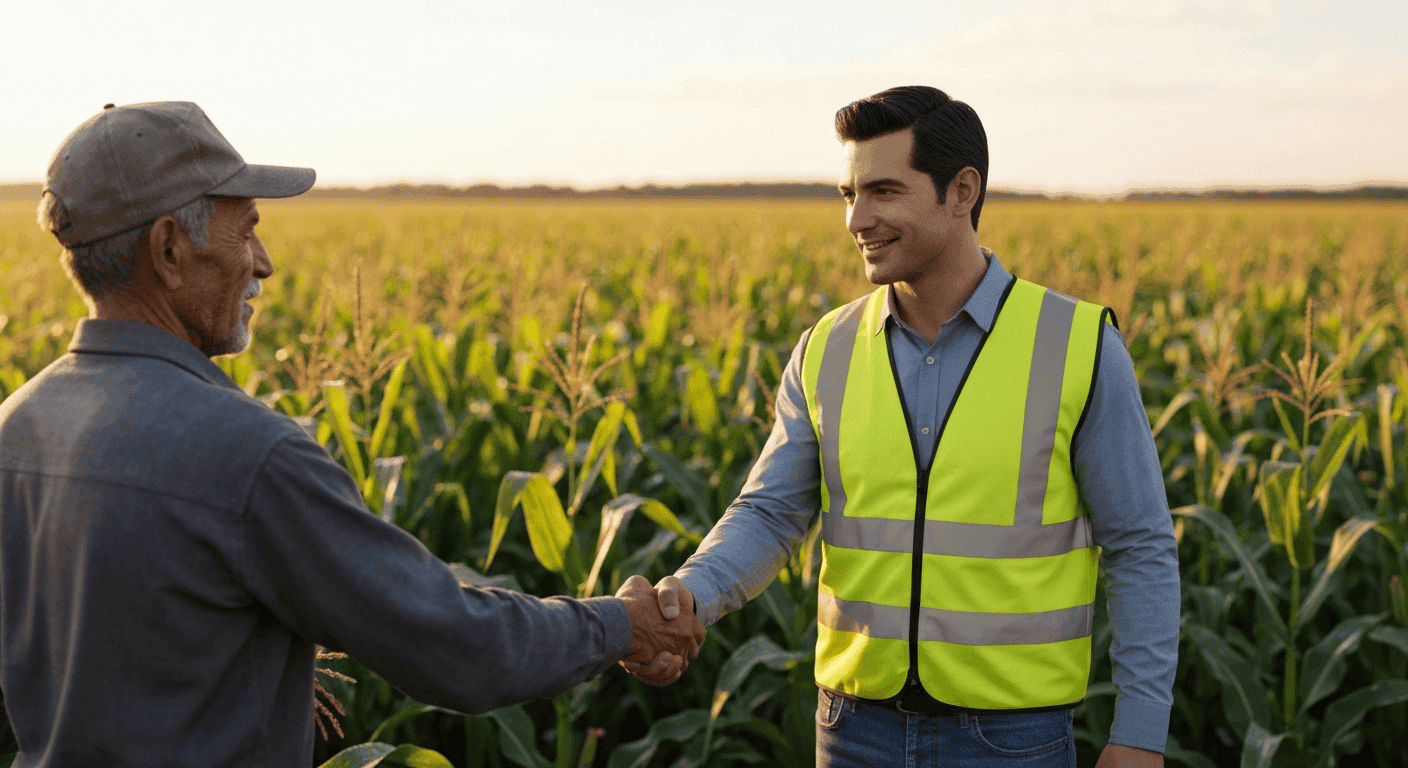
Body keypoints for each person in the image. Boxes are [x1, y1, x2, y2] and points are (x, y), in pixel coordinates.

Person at [0, 101, 703, 767]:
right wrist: (620, 625)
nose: (264, 261)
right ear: (169, 249)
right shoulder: (247, 457)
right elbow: (449, 642)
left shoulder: (18, 427)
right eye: (245, 229)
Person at [622, 86, 1180, 767]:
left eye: (883, 191)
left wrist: (1140, 732)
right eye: (847, 194)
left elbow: (1140, 547)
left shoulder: (1080, 345)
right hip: (852, 732)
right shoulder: (824, 348)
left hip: (1011, 741)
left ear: (961, 191)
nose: (857, 218)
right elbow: (770, 514)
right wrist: (689, 596)